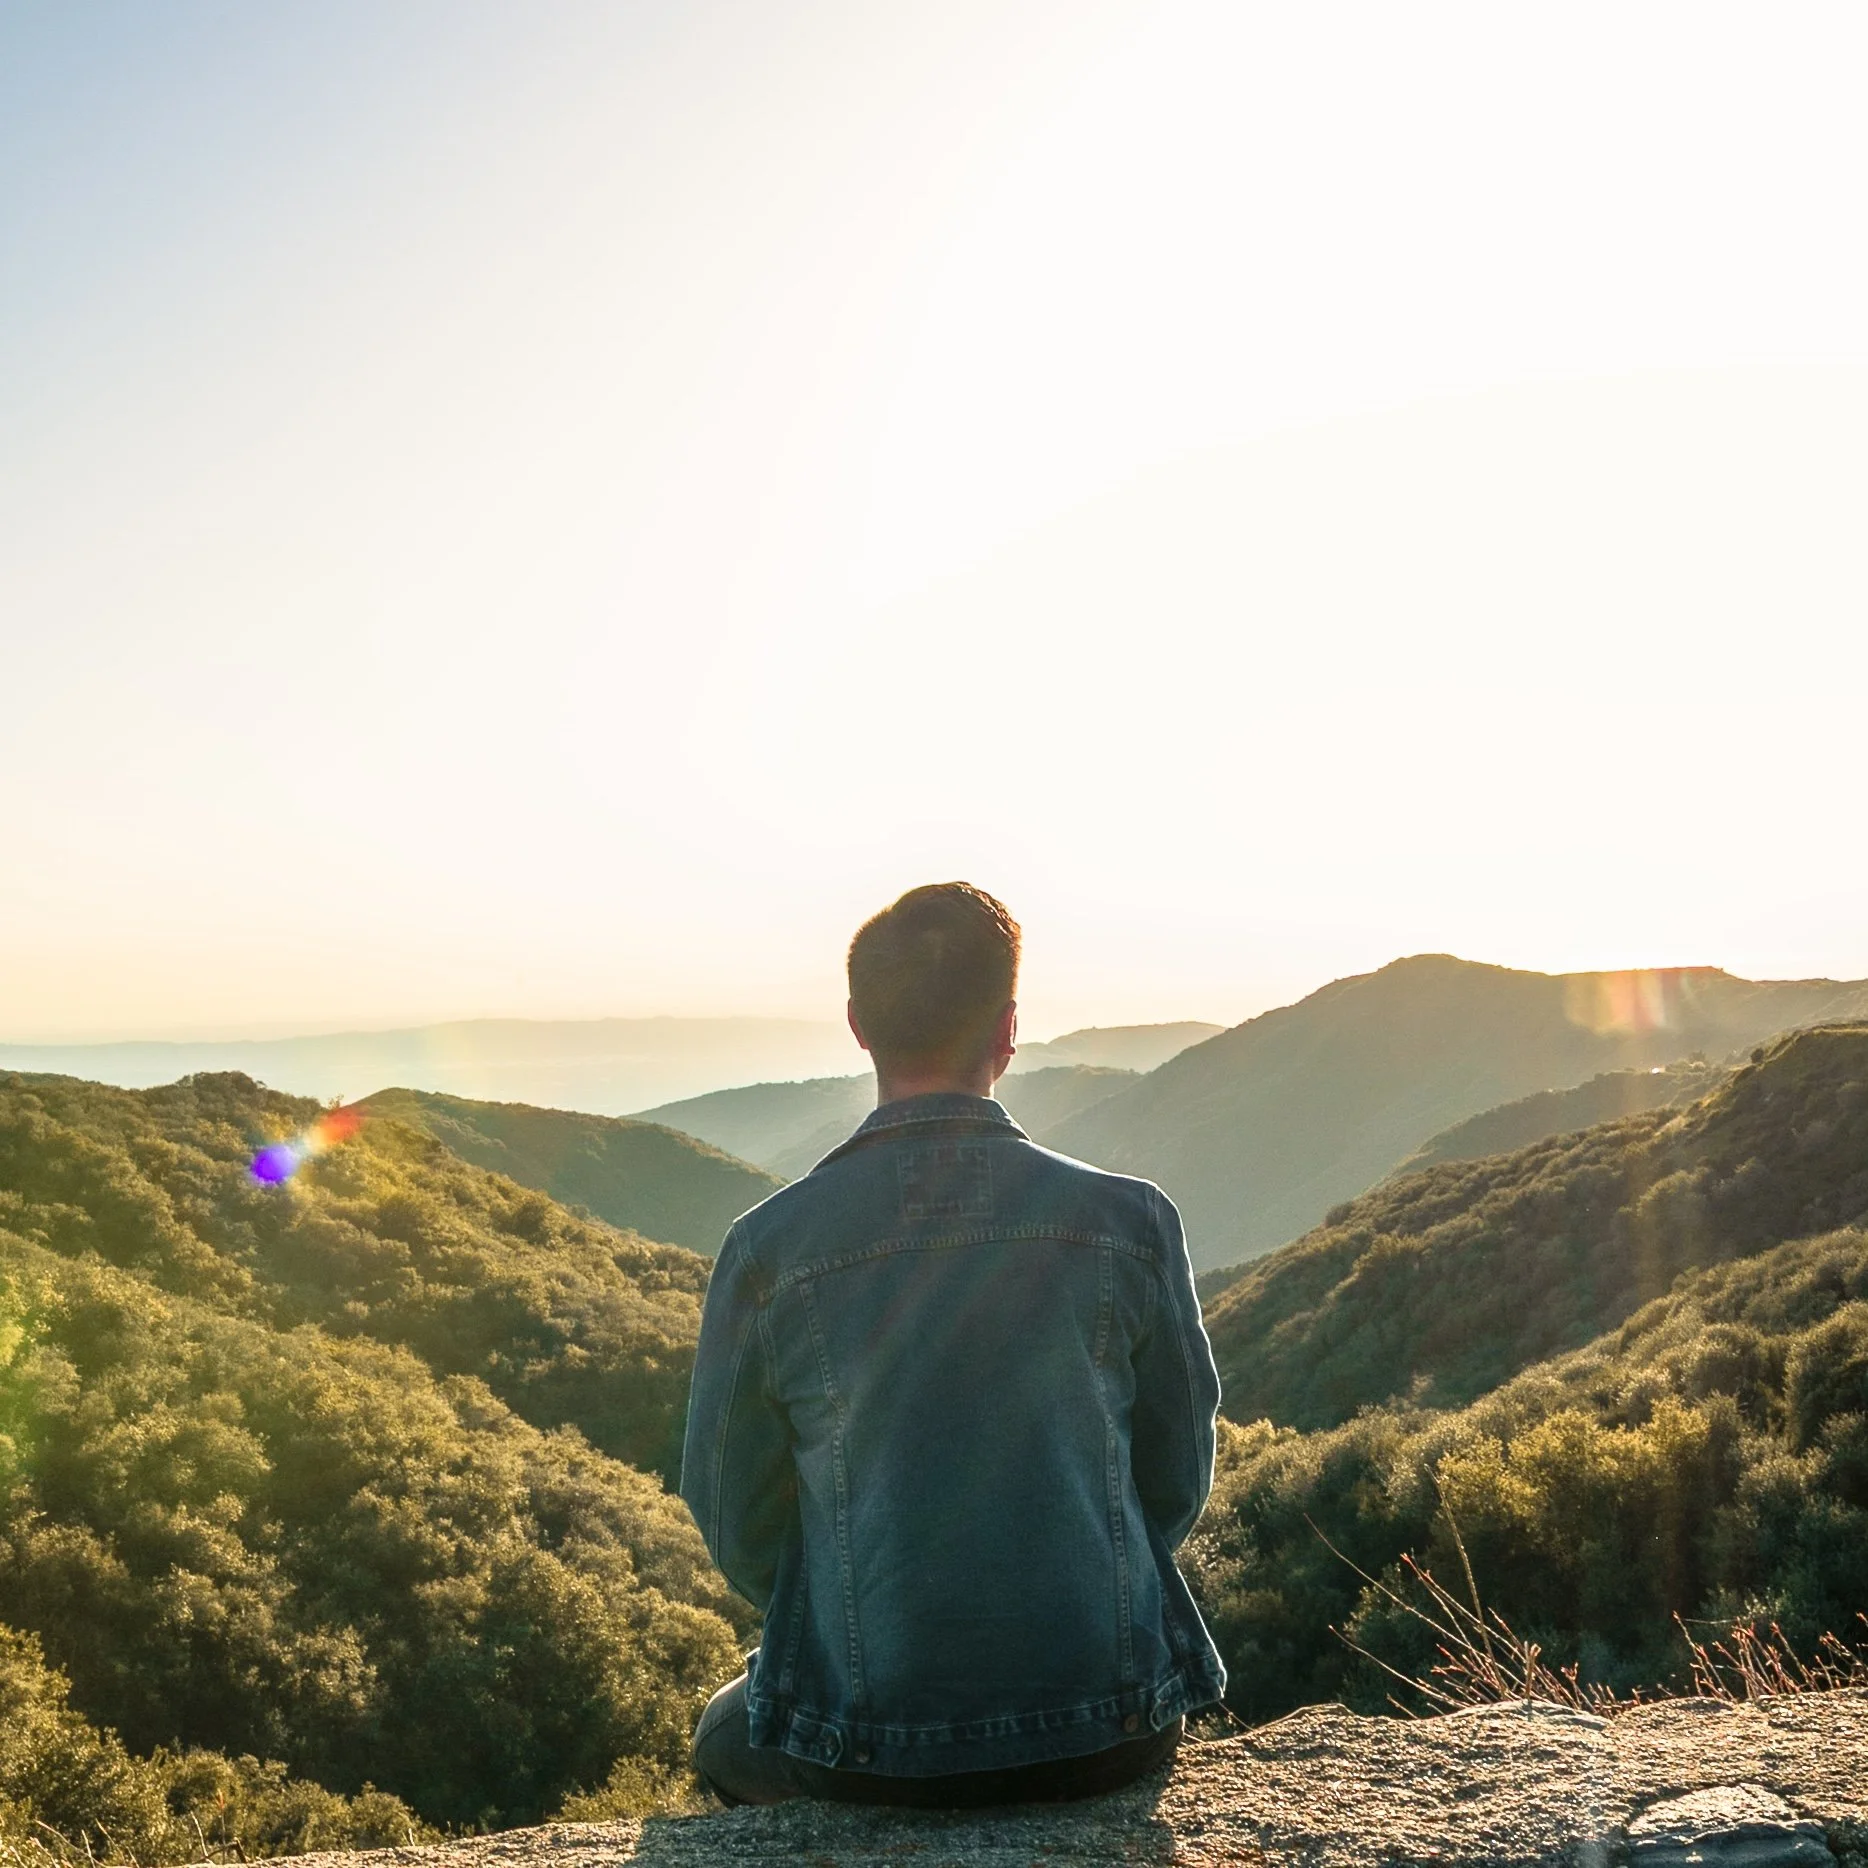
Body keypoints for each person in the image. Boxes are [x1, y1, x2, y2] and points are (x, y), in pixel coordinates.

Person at [679, 882, 1225, 1807]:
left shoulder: (769, 1248)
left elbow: (732, 1509)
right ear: (1009, 1030)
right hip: (1111, 1726)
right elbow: (1174, 1475)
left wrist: (861, 1600)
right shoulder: (1130, 1221)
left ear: (858, 1025)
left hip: (868, 1743)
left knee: (723, 1733)